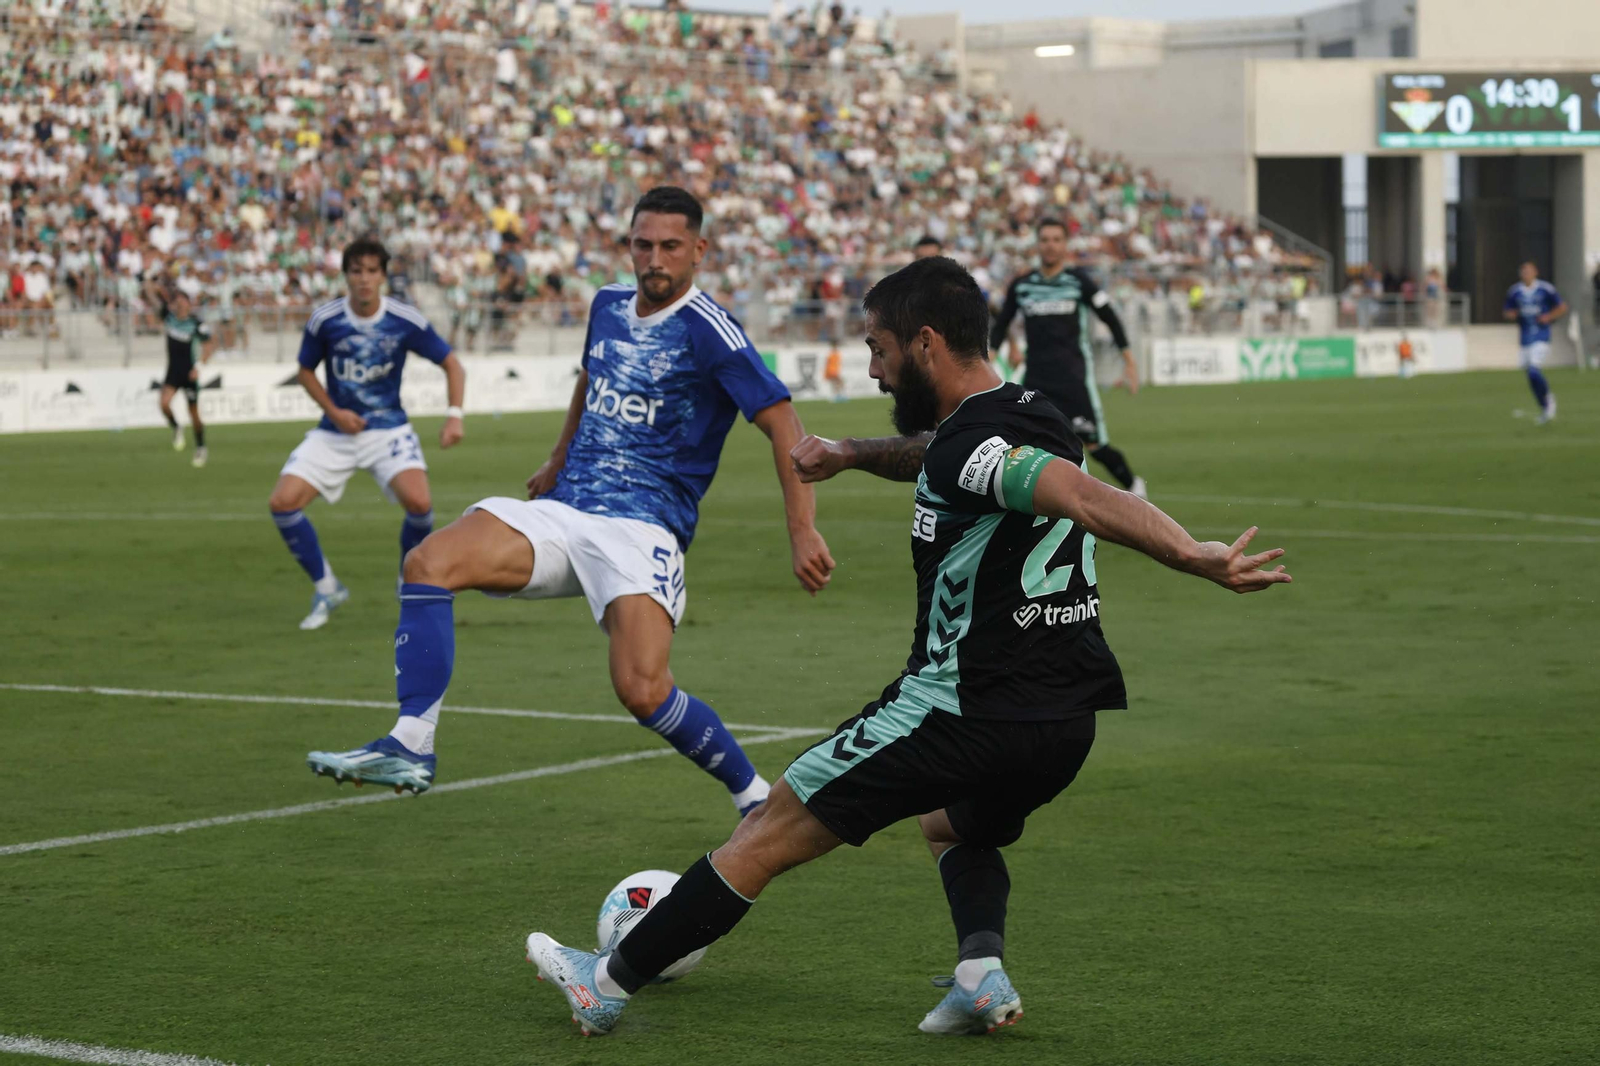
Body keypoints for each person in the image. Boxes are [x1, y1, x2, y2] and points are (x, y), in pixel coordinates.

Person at [524, 256, 1292, 1036]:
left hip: (959, 710)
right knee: (950, 824)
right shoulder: (1032, 414)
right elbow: (949, 457)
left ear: (925, 344)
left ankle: (608, 981)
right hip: (1064, 721)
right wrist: (853, 453)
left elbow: (1083, 497)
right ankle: (980, 975)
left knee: (768, 827)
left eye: (879, 349)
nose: (874, 370)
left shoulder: (974, 448)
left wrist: (1192, 554)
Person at [304, 188, 836, 814]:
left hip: (644, 528)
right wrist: (558, 456)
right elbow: (592, 375)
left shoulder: (710, 330)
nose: (654, 259)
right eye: (643, 245)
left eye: (670, 247)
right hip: (565, 509)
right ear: (629, 246)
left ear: (699, 250)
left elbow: (782, 421)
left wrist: (802, 529)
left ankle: (753, 797)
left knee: (641, 690)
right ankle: (411, 742)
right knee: (427, 562)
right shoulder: (608, 305)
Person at [267, 237, 467, 631]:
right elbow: (305, 371)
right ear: (346, 275)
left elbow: (452, 365)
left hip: (387, 429)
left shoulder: (403, 319)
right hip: (335, 432)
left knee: (420, 505)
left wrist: (454, 416)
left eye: (372, 271)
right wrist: (335, 413)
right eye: (356, 271)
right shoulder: (326, 320)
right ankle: (327, 587)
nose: (364, 279)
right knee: (282, 502)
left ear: (383, 276)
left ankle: (407, 579)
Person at [990, 219, 1148, 498]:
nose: (1050, 245)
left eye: (1056, 239)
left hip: (1074, 381)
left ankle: (1135, 488)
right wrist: (990, 356)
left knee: (1095, 445)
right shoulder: (1023, 285)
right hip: (1036, 381)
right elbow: (1002, 323)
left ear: (1065, 245)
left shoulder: (1079, 282)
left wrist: (1129, 360)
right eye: (1045, 239)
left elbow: (1109, 317)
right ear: (1037, 244)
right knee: (1025, 446)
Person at [155, 289, 216, 467]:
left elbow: (209, 347)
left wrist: (198, 367)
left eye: (183, 302)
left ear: (188, 304)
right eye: (177, 302)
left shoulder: (196, 324)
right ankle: (176, 427)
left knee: (194, 415)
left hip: (189, 373)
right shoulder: (170, 318)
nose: (180, 305)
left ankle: (201, 447)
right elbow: (154, 299)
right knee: (164, 404)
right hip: (172, 371)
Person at [1502, 261, 1567, 425]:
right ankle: (1544, 407)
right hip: (1525, 339)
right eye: (1523, 272)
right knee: (1530, 377)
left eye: (1529, 271)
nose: (1526, 274)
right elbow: (1507, 312)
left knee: (1533, 371)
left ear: (1535, 272)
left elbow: (1562, 307)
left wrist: (1549, 317)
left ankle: (1549, 399)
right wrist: (1511, 314)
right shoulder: (1515, 291)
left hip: (1541, 337)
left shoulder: (1545, 289)